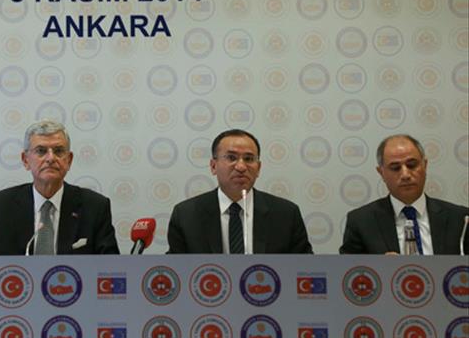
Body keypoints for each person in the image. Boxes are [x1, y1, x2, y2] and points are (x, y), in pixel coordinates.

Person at [0, 120, 120, 255]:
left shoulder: (95, 207)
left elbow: (110, 266)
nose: (50, 158)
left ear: (69, 160)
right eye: (41, 151)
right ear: (25, 160)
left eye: (58, 151)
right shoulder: (1, 207)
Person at [167, 129, 313, 254]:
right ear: (213, 166)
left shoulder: (286, 214)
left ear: (258, 168)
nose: (241, 167)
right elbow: (176, 270)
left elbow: (304, 268)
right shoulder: (186, 215)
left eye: (249, 159)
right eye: (231, 158)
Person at [340, 134, 469, 255]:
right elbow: (348, 269)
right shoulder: (361, 222)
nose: (405, 175)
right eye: (395, 168)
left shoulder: (461, 219)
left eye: (412, 165)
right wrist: (379, 267)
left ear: (425, 166)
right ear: (381, 173)